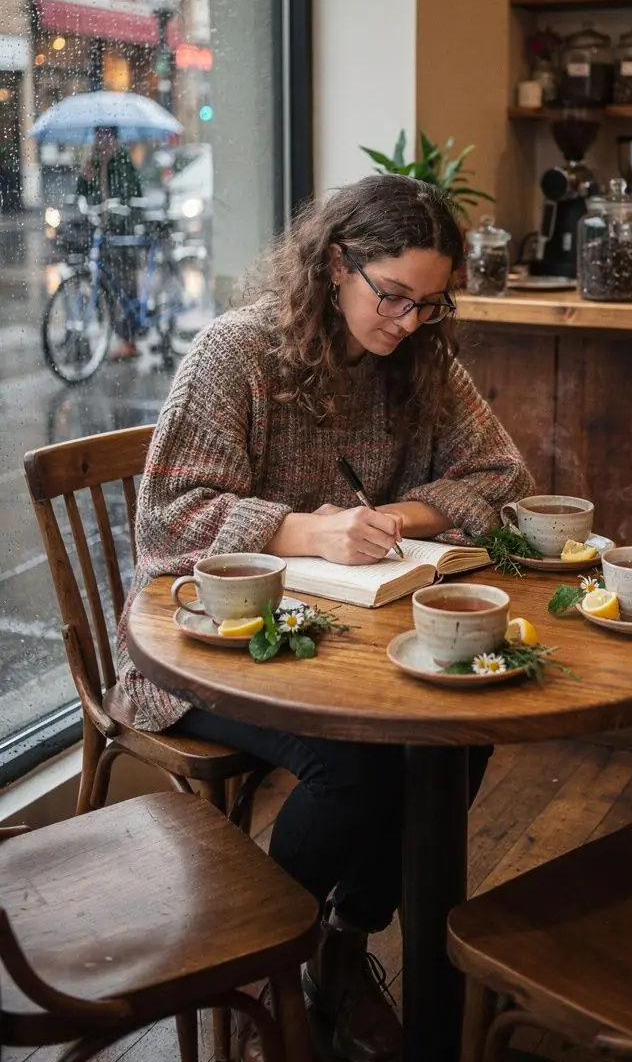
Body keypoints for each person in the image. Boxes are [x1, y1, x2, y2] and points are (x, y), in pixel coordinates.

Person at [117, 173, 534, 1062]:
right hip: (205, 640)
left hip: (339, 638)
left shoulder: (416, 354)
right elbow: (165, 519)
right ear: (335, 264)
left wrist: (399, 519)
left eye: (431, 304)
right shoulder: (239, 353)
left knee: (461, 728)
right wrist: (303, 529)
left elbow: (501, 478)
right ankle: (256, 957)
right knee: (357, 767)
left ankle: (341, 942)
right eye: (393, 296)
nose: (409, 322)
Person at [76, 126, 143, 360]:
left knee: (125, 286)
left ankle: (129, 339)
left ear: (114, 139)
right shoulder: (93, 162)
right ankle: (107, 333)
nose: (102, 142)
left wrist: (119, 206)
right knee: (106, 285)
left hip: (121, 231)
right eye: (98, 137)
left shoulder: (123, 160)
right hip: (101, 232)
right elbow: (82, 193)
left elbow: (133, 192)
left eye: (106, 137)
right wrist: (85, 180)